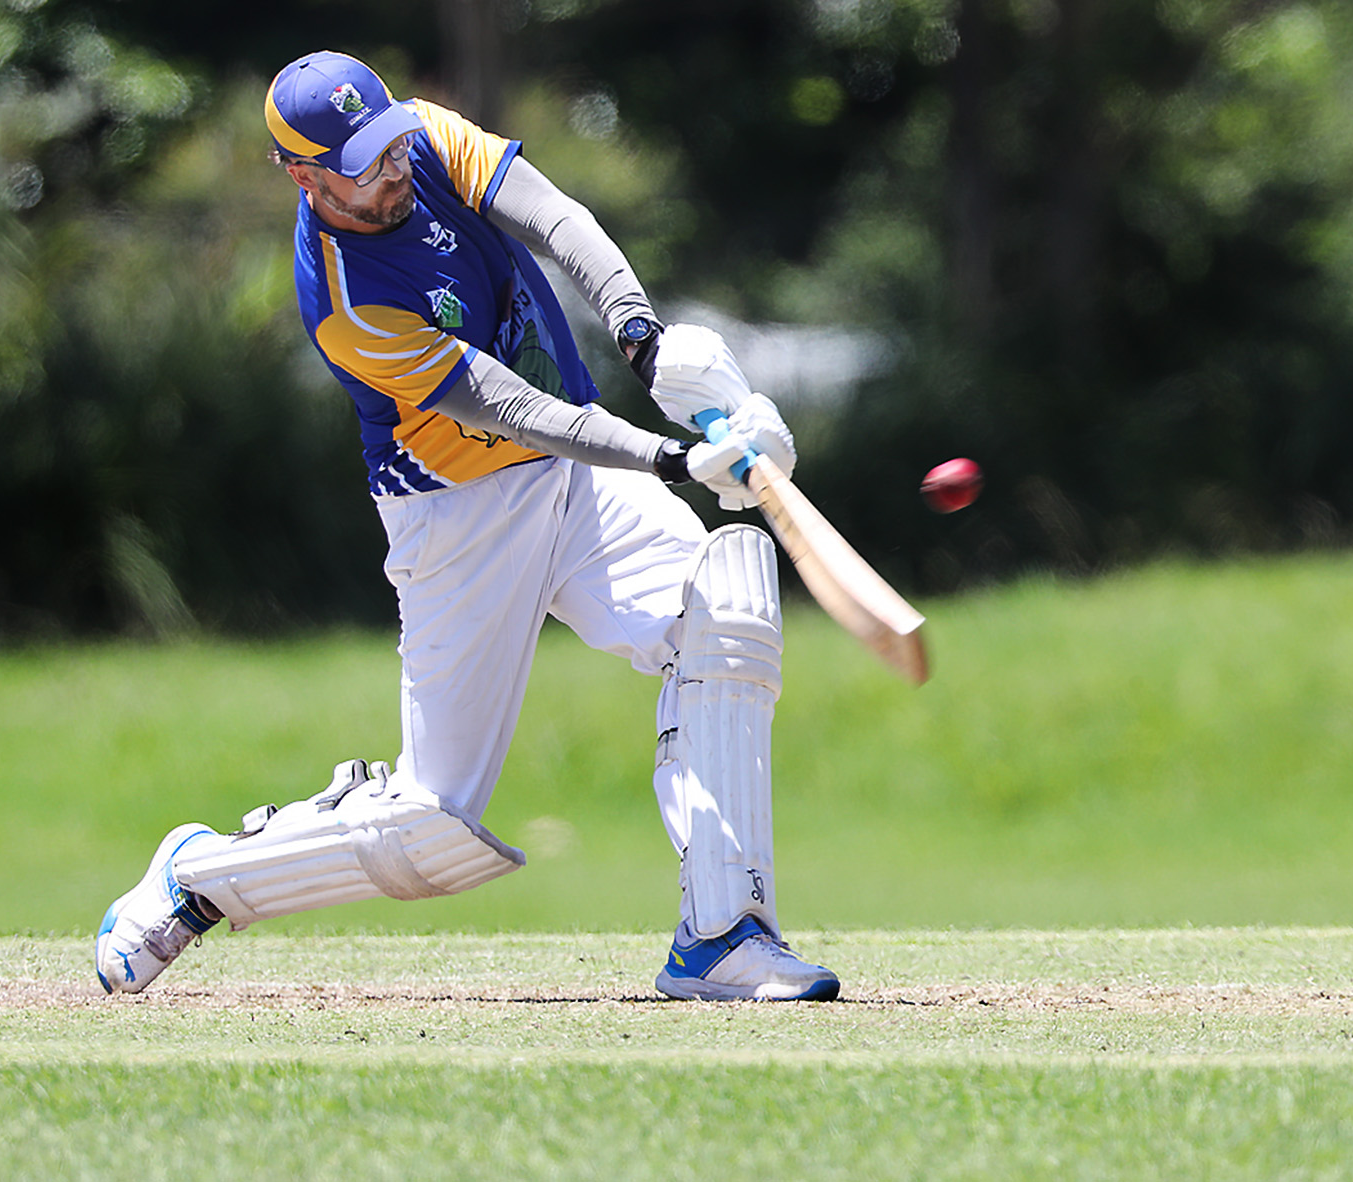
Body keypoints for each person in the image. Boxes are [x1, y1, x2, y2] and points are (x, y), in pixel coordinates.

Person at [93, 50, 839, 1002]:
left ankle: (724, 939)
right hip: (460, 519)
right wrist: (672, 458)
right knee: (430, 827)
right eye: (363, 164)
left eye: (390, 143)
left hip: (571, 482)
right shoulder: (348, 304)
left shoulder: (422, 139)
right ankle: (197, 877)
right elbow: (516, 409)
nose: (392, 167)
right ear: (304, 177)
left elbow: (559, 221)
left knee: (724, 618)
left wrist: (644, 339)